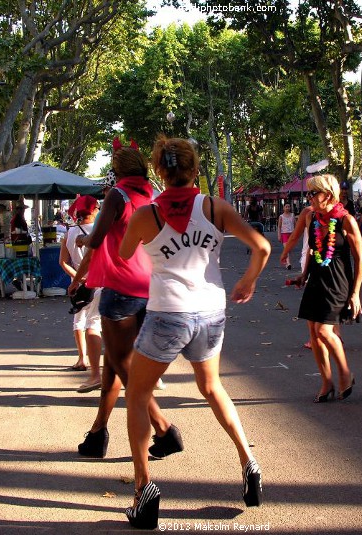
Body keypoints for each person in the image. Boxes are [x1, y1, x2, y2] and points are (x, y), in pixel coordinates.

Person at [120, 136, 270, 529]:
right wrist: (248, 281)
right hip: (210, 311)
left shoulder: (145, 215)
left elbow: (123, 253)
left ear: (159, 171)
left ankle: (144, 489)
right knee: (212, 388)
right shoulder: (215, 207)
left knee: (138, 395)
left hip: (167, 313)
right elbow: (262, 247)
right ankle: (247, 460)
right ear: (195, 169)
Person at [70, 145, 177, 459]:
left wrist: (80, 240)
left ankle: (164, 429)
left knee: (121, 363)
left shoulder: (117, 196)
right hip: (149, 286)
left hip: (120, 286)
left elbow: (96, 238)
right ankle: (97, 433)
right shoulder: (150, 196)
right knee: (113, 364)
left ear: (118, 170)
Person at [296, 174, 362, 403]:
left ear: (329, 195)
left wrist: (355, 294)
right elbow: (311, 251)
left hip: (338, 281)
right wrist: (304, 275)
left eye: (313, 193)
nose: (310, 198)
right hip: (316, 279)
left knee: (325, 331)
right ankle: (326, 382)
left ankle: (345, 373)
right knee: (314, 333)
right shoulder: (312, 218)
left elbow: (360, 258)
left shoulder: (346, 221)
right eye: (309, 193)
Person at [280, 205, 342, 350]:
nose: (309, 196)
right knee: (328, 297)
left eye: (312, 193)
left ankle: (317, 337)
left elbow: (296, 235)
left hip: (315, 257)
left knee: (316, 298)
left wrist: (285, 252)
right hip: (326, 258)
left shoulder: (309, 212)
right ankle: (335, 333)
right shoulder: (333, 211)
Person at [59, 195, 102, 392]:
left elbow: (63, 262)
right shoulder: (101, 231)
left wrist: (77, 278)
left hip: (77, 281)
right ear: (93, 210)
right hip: (100, 280)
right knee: (97, 323)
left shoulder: (68, 234)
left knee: (79, 319)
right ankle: (100, 367)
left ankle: (82, 358)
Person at [278, 203, 296, 269]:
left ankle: (285, 260)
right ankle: (288, 263)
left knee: (289, 249)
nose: (287, 208)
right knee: (286, 249)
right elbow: (279, 227)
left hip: (291, 233)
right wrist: (279, 235)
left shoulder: (292, 215)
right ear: (283, 208)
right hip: (284, 234)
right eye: (286, 207)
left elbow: (295, 224)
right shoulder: (281, 216)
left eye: (289, 206)